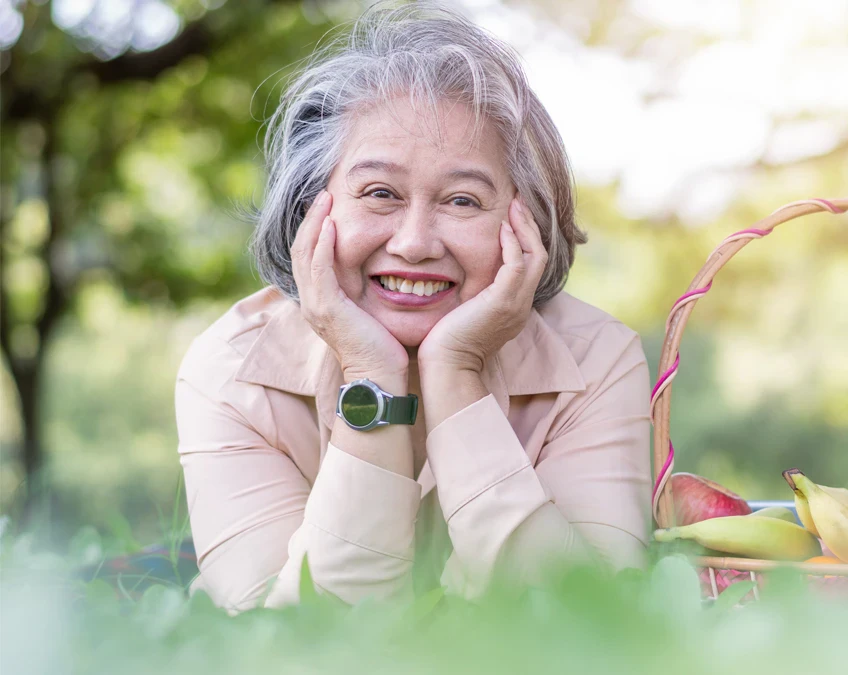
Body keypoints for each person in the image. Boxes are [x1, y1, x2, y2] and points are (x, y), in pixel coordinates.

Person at [174, 2, 651, 614]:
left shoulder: (597, 359)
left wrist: (456, 373)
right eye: (379, 193)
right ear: (311, 208)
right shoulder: (231, 368)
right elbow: (288, 633)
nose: (415, 243)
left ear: (526, 218)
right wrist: (371, 379)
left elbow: (592, 616)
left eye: (461, 200)